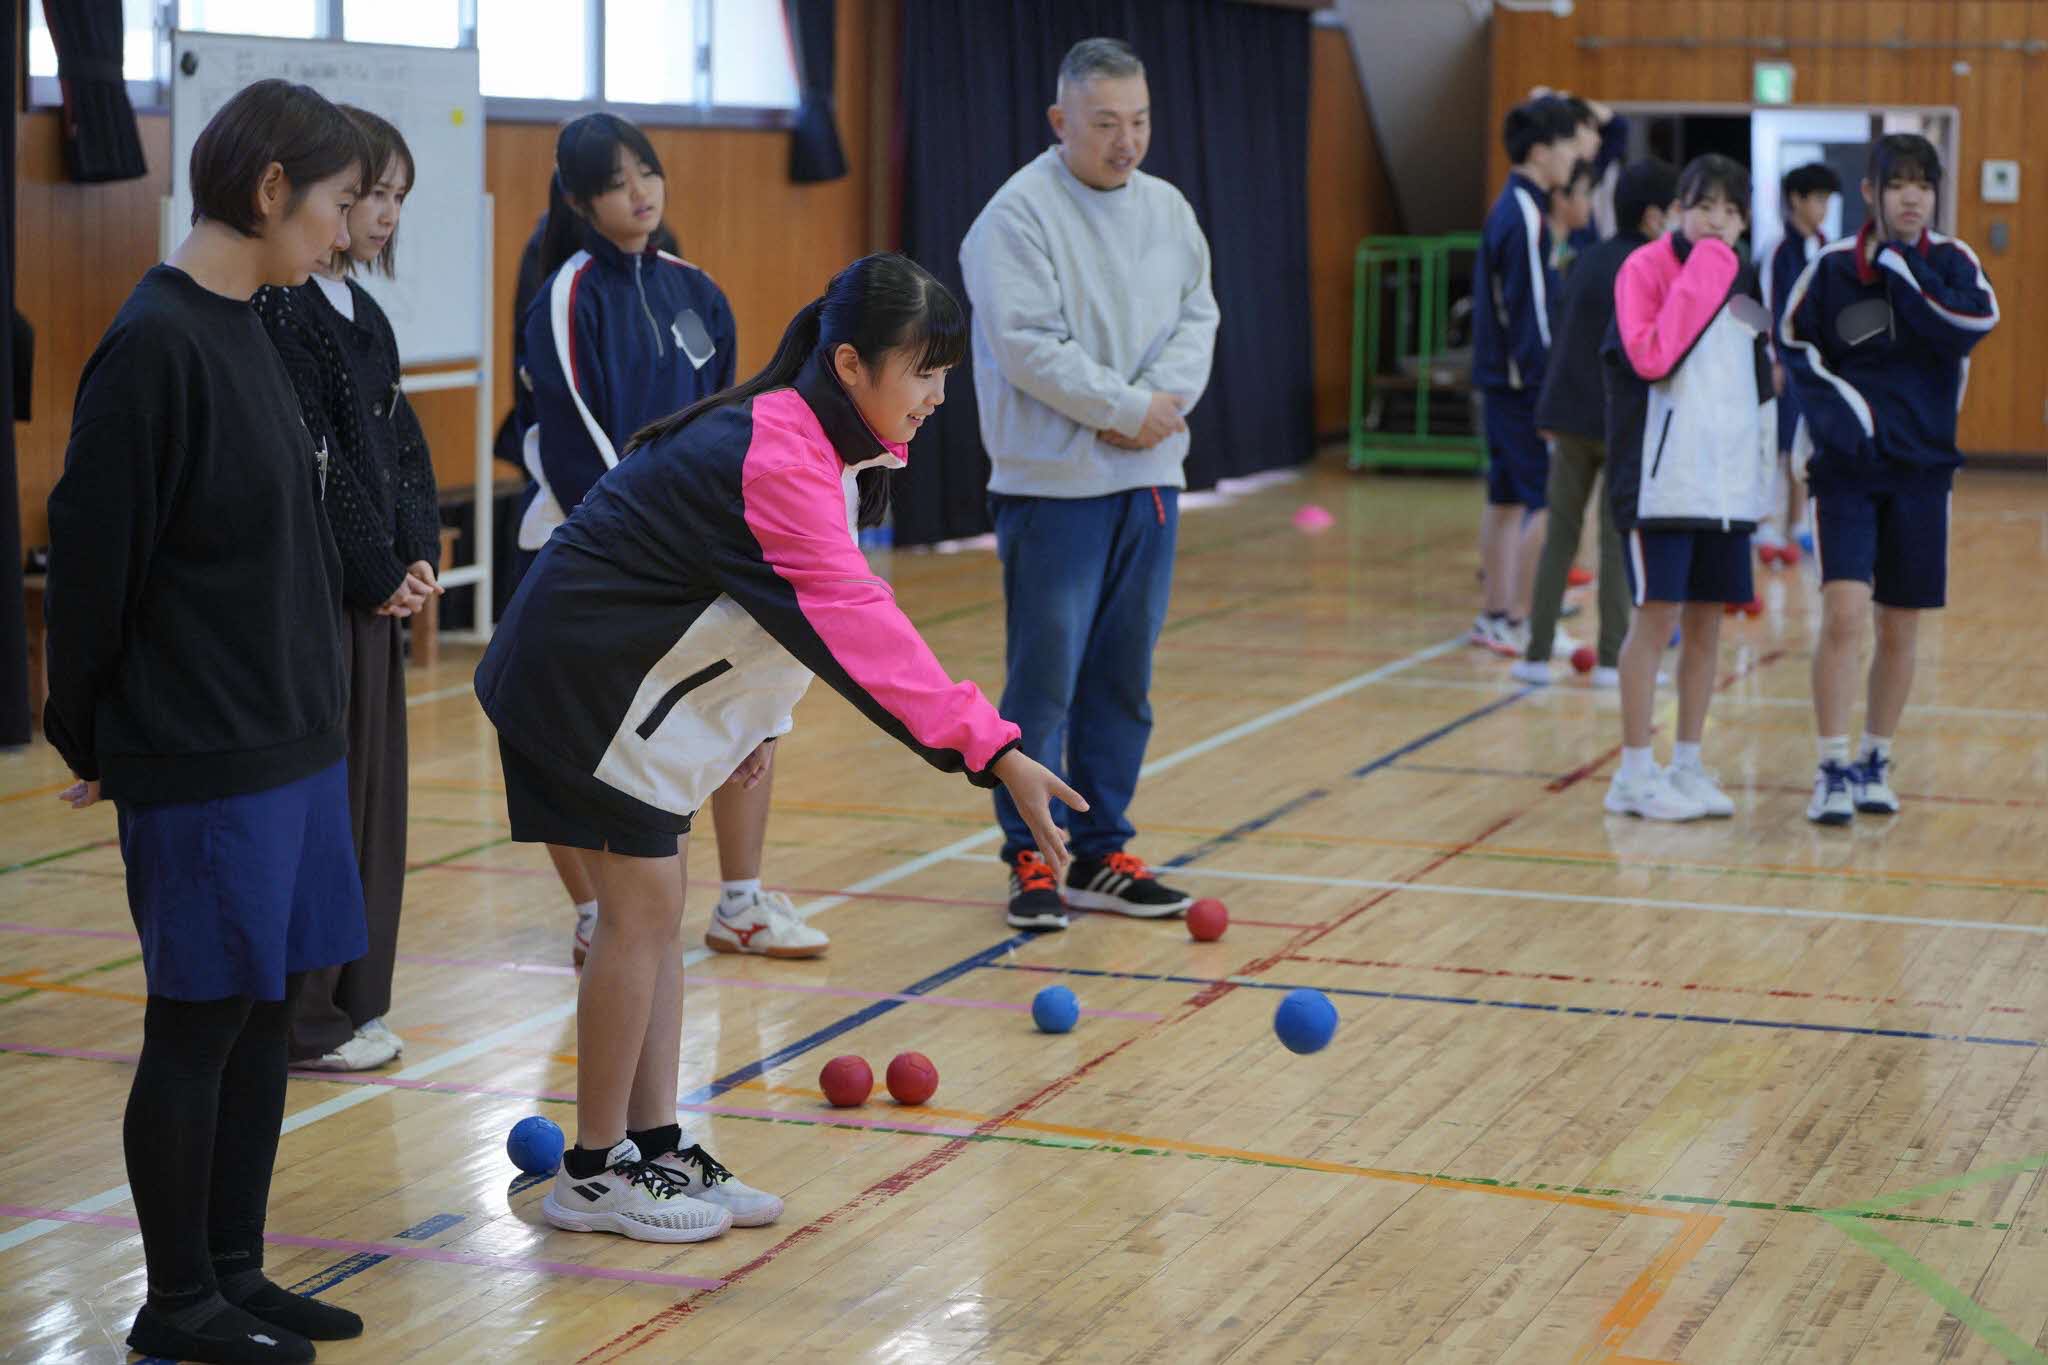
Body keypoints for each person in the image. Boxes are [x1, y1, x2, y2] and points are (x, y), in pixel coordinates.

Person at [474, 252, 1083, 1242]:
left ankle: (653, 1146)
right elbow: (851, 623)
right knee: (639, 914)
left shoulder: (815, 442)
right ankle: (588, 1175)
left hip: (621, 683)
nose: (935, 398)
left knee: (654, 916)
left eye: (943, 377)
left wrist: (753, 723)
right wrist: (995, 748)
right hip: (577, 688)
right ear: (849, 365)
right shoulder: (776, 453)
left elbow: (771, 604)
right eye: (921, 374)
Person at [44, 79, 372, 1364]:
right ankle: (175, 1301)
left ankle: (235, 1271)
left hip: (291, 738)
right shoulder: (156, 342)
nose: (346, 235)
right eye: (339, 207)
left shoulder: (261, 323)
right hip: (204, 751)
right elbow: (92, 563)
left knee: (262, 1014)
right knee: (197, 1018)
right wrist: (96, 736)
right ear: (273, 188)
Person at [518, 114, 816, 962]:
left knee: (746, 709)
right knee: (570, 738)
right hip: (593, 555)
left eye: (646, 171)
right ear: (580, 200)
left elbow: (728, 426)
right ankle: (595, 912)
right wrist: (647, 549)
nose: (640, 192)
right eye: (616, 182)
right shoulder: (567, 295)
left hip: (696, 554)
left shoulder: (699, 292)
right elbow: (579, 445)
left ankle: (742, 903)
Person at [959, 37, 1219, 932]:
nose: (1126, 140)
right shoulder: (1016, 217)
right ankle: (1034, 852)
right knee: (1045, 680)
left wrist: (1155, 407)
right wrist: (1119, 404)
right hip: (1052, 484)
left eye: (1139, 120)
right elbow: (1027, 343)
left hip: (1149, 477)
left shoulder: (1170, 211)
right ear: (1061, 121)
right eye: (1105, 123)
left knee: (1123, 676)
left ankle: (1101, 850)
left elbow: (1198, 317)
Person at [253, 105, 439, 1074]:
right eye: (369, 193)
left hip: (374, 597)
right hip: (326, 599)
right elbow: (316, 464)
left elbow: (398, 453)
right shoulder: (279, 311)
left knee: (374, 804)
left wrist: (415, 559)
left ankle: (354, 1000)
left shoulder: (365, 316)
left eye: (397, 197)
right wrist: (373, 573)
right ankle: (303, 1015)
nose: (381, 214)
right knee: (325, 806)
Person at [1780, 134, 1997, 825]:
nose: (1911, 196)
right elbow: (1792, 342)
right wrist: (1848, 418)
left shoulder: (1955, 264)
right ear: (1870, 191)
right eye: (1897, 183)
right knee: (1845, 615)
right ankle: (1831, 765)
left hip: (1924, 471)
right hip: (1846, 471)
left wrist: (1905, 273)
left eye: (1923, 185)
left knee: (1900, 627)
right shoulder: (1832, 267)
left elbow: (1970, 323)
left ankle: (1875, 756)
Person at [1602, 154, 1775, 821]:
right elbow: (1652, 355)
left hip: (1724, 489)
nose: (1719, 222)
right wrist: (1706, 268)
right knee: (1656, 622)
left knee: (1707, 624)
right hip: (1661, 485)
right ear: (1678, 208)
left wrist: (1762, 470)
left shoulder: (1742, 279)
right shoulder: (1641, 269)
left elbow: (1764, 367)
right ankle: (1634, 774)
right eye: (1707, 206)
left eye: (1733, 212)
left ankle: (1688, 763)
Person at [1515, 158, 1680, 688]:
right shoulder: (1653, 267)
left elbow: (1562, 340)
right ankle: (1613, 658)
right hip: (1619, 422)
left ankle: (1535, 654)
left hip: (1568, 419)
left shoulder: (1587, 259)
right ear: (1656, 216)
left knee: (1561, 535)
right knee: (1615, 540)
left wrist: (1548, 412)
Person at [1469, 96, 1580, 658]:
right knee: (1546, 503)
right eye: (1566, 146)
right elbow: (1530, 311)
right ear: (1541, 152)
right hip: (1521, 386)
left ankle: (1496, 616)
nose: (1573, 156)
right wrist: (1547, 392)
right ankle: (1526, 618)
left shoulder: (1509, 207)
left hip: (1500, 381)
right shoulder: (1526, 213)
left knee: (1507, 498)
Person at [1757, 160, 1842, 563]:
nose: (1823, 207)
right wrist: (1773, 358)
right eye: (1818, 198)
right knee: (1777, 445)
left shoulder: (1826, 246)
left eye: (1827, 199)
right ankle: (1767, 526)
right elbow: (1766, 306)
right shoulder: (1776, 250)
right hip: (1783, 364)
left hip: (1815, 364)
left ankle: (1797, 524)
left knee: (1804, 445)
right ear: (1796, 200)